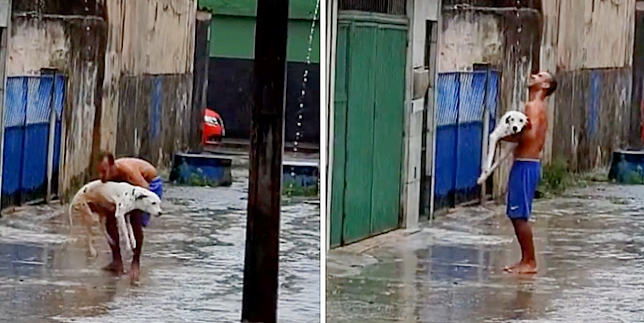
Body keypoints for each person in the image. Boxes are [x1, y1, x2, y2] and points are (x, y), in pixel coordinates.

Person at [501, 71, 557, 274]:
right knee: (517, 213)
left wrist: (505, 135)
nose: (533, 75)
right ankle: (526, 259)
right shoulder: (538, 108)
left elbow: (529, 136)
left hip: (526, 164)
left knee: (519, 215)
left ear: (545, 85)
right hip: (527, 163)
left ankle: (529, 261)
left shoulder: (533, 107)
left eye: (540, 75)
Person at [96, 152, 164, 281]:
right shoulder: (108, 177)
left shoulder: (128, 172)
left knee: (135, 220)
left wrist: (128, 209)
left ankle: (135, 262)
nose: (101, 177)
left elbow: (145, 191)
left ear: (112, 166)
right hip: (127, 189)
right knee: (109, 220)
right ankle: (117, 261)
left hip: (149, 185)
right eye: (99, 172)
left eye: (104, 172)